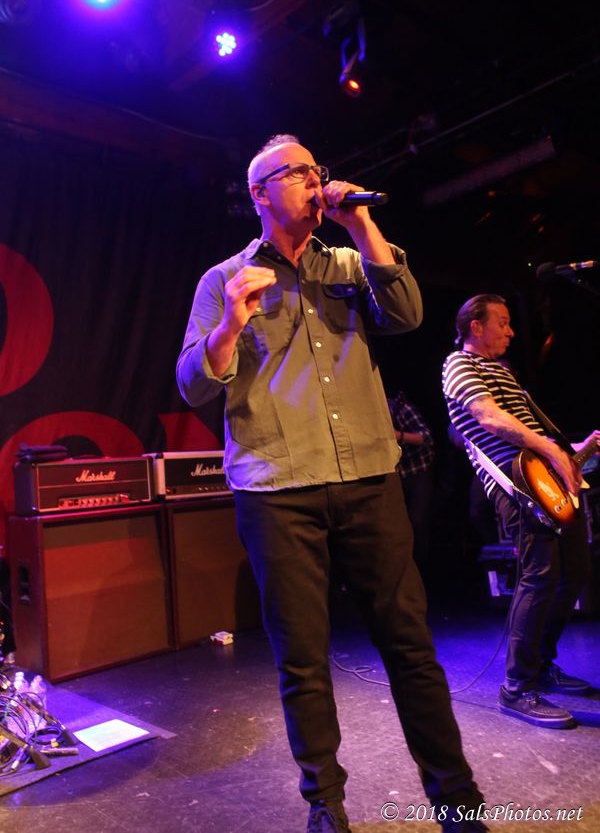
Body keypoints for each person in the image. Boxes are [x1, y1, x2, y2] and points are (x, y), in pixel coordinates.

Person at [177, 134, 487, 833]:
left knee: (410, 646)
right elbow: (194, 383)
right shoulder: (223, 279)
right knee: (303, 660)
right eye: (296, 172)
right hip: (277, 490)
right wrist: (231, 322)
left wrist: (362, 222)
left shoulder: (349, 261)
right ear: (259, 193)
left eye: (316, 169)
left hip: (369, 479)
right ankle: (326, 808)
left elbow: (407, 314)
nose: (315, 180)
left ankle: (459, 804)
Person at [442, 293, 600, 730]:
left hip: (545, 479)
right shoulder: (460, 364)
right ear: (476, 326)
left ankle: (541, 664)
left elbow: (535, 432)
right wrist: (551, 448)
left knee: (574, 573)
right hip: (515, 484)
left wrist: (579, 450)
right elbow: (489, 419)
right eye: (504, 322)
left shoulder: (503, 373)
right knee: (540, 575)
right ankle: (516, 688)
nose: (512, 332)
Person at [387, 390, 435, 571]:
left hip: (418, 470)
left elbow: (426, 437)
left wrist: (398, 435)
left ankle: (422, 568)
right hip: (395, 474)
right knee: (398, 524)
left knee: (418, 521)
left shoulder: (401, 409)